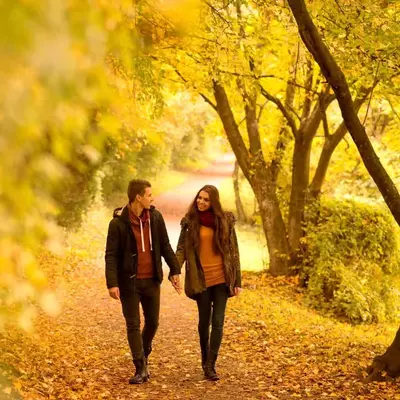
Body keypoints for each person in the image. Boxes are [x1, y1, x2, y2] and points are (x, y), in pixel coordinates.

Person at [105, 179, 181, 384]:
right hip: (129, 282)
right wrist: (112, 283)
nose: (152, 198)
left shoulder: (155, 218)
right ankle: (140, 367)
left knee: (153, 322)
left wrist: (175, 269)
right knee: (133, 325)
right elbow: (111, 255)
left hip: (151, 280)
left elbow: (165, 245)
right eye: (149, 195)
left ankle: (143, 352)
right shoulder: (118, 224)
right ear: (138, 197)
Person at [176, 184, 242, 381]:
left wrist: (237, 280)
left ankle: (211, 365)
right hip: (201, 280)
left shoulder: (225, 221)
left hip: (222, 278)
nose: (201, 202)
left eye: (206, 200)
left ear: (213, 202)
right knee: (204, 322)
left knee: (218, 322)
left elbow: (234, 251)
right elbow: (181, 249)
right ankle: (205, 359)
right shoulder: (190, 222)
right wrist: (175, 269)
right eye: (199, 198)